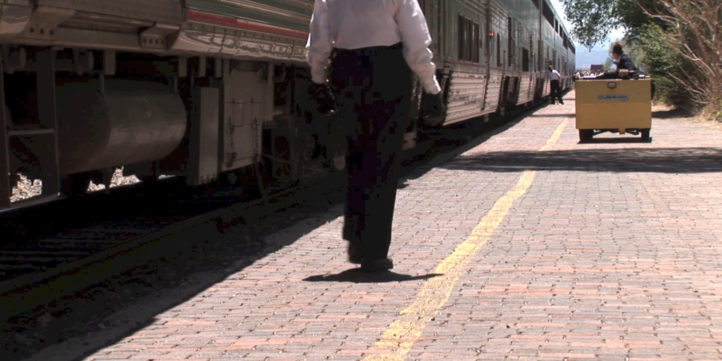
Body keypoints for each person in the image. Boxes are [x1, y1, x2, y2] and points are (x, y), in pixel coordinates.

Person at [306, 0, 444, 271]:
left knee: (357, 157)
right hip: (388, 72)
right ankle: (374, 250)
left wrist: (317, 79)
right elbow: (416, 45)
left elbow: (319, 42)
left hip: (347, 71)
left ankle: (357, 239)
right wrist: (431, 87)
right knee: (383, 162)